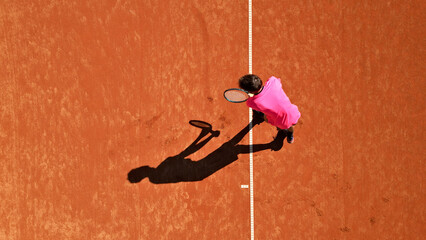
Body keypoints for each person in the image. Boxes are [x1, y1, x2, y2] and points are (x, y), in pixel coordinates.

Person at [239, 74, 301, 143]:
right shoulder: (273, 81)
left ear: (250, 91)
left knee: (266, 117)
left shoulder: (253, 102)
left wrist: (251, 95)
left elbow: (250, 101)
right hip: (293, 113)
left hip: (281, 122)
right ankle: (290, 135)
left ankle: (260, 117)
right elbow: (275, 82)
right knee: (290, 126)